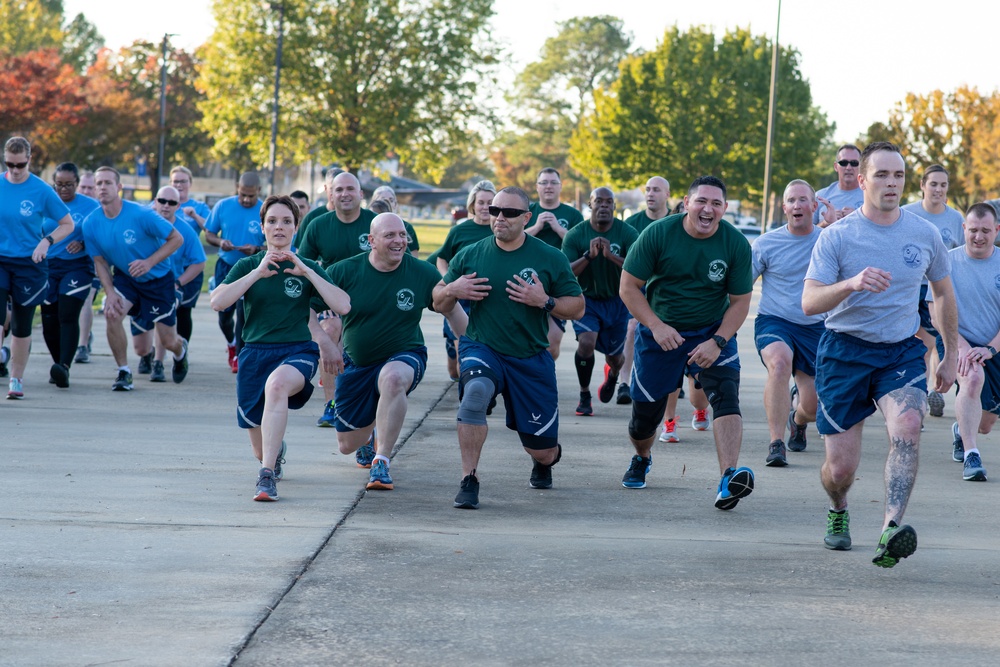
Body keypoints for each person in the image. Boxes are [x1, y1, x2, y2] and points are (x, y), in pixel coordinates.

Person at [802, 141, 958, 567]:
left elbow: (943, 293)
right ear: (860, 178)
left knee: (909, 423)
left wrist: (949, 350)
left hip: (899, 352)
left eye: (899, 175)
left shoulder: (923, 234)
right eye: (882, 175)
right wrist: (850, 284)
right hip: (843, 352)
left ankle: (891, 529)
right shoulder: (837, 236)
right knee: (839, 471)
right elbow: (810, 302)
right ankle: (838, 510)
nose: (892, 183)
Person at [433, 186, 584, 509]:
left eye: (510, 213)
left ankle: (543, 463)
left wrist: (544, 301)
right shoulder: (472, 254)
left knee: (543, 449)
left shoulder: (549, 257)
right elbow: (438, 298)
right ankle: (469, 479)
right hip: (482, 345)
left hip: (530, 357)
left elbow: (578, 307)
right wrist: (453, 288)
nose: (500, 217)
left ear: (527, 217)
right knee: (474, 395)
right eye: (495, 211)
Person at [619, 175, 755, 510]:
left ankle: (728, 479)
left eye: (716, 203)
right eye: (701, 201)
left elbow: (739, 302)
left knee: (726, 396)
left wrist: (719, 340)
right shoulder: (658, 234)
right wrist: (655, 325)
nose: (708, 209)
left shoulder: (735, 244)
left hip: (710, 330)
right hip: (661, 332)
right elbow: (628, 287)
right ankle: (642, 457)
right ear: (686, 202)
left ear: (724, 209)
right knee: (643, 422)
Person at [210, 195, 350, 501]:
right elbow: (218, 302)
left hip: (297, 351)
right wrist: (257, 273)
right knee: (258, 445)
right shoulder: (248, 265)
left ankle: (266, 475)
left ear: (296, 227)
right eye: (272, 221)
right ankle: (271, 454)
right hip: (254, 354)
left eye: (287, 221)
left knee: (277, 386)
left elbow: (343, 304)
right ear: (262, 227)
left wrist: (308, 271)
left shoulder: (307, 266)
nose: (279, 227)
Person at [325, 213, 468, 490]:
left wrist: (479, 350)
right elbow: (312, 307)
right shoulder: (343, 272)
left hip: (406, 354)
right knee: (346, 445)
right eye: (390, 235)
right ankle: (367, 437)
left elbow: (454, 315)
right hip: (357, 363)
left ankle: (382, 461)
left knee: (391, 379)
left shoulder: (423, 273)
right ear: (371, 241)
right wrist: (323, 340)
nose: (399, 241)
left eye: (402, 235)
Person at [82, 167, 190, 391]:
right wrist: (110, 292)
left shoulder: (141, 214)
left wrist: (149, 262)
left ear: (119, 188)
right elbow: (100, 262)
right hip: (126, 279)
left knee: (169, 341)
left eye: (107, 183)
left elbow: (176, 239)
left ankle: (181, 351)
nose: (102, 187)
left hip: (158, 280)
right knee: (113, 315)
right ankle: (124, 372)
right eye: (98, 184)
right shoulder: (90, 223)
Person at [751, 180, 825, 466]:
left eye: (803, 200)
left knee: (813, 406)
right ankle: (776, 443)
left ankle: (797, 419)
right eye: (791, 200)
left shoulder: (828, 241)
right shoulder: (766, 243)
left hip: (815, 327)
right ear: (784, 208)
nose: (797, 205)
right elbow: (742, 286)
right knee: (779, 363)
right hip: (775, 321)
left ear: (814, 206)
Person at [297, 171, 376, 430]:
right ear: (330, 194)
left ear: (361, 194)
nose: (344, 194)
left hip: (369, 299)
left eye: (350, 189)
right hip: (330, 297)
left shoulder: (374, 223)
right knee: (329, 330)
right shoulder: (318, 225)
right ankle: (332, 404)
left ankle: (366, 401)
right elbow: (304, 267)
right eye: (339, 189)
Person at [927, 203, 1000, 482]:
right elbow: (934, 312)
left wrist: (990, 349)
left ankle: (963, 431)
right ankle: (972, 456)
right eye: (973, 230)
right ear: (963, 230)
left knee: (985, 424)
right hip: (958, 341)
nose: (978, 237)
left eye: (985, 230)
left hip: (993, 347)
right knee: (971, 379)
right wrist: (963, 346)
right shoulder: (947, 262)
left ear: (996, 230)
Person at [0, 137, 74, 399]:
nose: (15, 170)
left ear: (29, 160)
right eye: (9, 164)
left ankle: (16, 380)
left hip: (29, 262)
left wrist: (47, 241)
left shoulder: (41, 190)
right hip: (1, 258)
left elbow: (68, 224)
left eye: (20, 164)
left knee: (21, 325)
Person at [562, 186, 638, 416]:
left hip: (617, 301)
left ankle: (613, 375)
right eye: (599, 201)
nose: (604, 205)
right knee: (586, 343)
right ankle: (585, 395)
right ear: (590, 205)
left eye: (608, 202)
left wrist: (610, 256)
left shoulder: (627, 233)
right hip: (587, 300)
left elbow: (638, 268)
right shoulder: (576, 234)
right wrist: (589, 256)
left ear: (614, 206)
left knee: (615, 357)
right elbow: (566, 272)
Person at [902, 165, 965, 418]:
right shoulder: (906, 214)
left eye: (943, 185)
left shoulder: (955, 219)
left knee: (936, 342)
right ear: (922, 186)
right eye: (933, 184)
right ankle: (919, 398)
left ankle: (934, 391)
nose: (938, 189)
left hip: (939, 290)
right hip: (910, 289)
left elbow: (962, 257)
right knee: (921, 345)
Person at [132, 186, 206, 382]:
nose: (166, 206)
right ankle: (147, 355)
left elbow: (199, 262)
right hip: (142, 282)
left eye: (171, 203)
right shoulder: (142, 223)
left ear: (178, 206)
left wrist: (178, 283)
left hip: (170, 284)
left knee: (160, 316)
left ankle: (158, 362)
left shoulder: (185, 231)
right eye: (162, 201)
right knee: (140, 343)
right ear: (154, 202)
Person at [39, 162, 99, 388]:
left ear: (77, 183)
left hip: (77, 266)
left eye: (70, 185)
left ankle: (64, 366)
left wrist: (83, 243)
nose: (64, 189)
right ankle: (57, 365)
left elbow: (99, 234)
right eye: (59, 184)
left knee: (67, 314)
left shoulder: (90, 206)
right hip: (47, 267)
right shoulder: (45, 203)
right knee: (48, 319)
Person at [432, 180, 496, 381]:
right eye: (481, 202)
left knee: (480, 352)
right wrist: (447, 280)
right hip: (460, 300)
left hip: (489, 301)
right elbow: (441, 257)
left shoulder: (500, 230)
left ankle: (476, 392)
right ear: (473, 205)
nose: (485, 207)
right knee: (456, 367)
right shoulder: (460, 231)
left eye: (490, 202)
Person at [204, 172, 265, 373]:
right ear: (237, 189)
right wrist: (221, 242)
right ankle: (231, 344)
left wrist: (256, 249)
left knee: (242, 312)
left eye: (251, 196)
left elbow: (276, 243)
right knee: (224, 315)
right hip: (226, 266)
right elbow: (209, 233)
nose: (246, 200)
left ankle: (240, 354)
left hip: (252, 268)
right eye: (242, 195)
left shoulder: (265, 209)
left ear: (259, 191)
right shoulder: (223, 206)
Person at [619, 176, 671, 404]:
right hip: (640, 290)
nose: (650, 194)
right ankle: (624, 382)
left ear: (667, 194)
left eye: (656, 190)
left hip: (670, 293)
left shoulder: (679, 222)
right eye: (648, 189)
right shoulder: (632, 224)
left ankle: (675, 380)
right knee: (632, 327)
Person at [527, 168, 584, 360]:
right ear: (537, 187)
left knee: (551, 345)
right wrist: (536, 227)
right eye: (544, 183)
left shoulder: (572, 214)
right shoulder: (528, 211)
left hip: (560, 283)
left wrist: (558, 228)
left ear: (560, 187)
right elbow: (512, 237)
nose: (548, 187)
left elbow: (581, 243)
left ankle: (544, 375)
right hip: (529, 279)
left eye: (553, 182)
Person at [74, 170, 100, 363]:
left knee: (86, 300)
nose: (87, 190)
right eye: (83, 186)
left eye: (91, 187)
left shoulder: (99, 209)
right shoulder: (67, 205)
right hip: (66, 263)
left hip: (93, 262)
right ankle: (82, 336)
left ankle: (82, 345)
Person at [292, 166, 344, 249]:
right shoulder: (311, 218)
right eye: (332, 188)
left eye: (340, 189)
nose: (337, 193)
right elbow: (300, 253)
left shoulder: (357, 216)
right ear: (325, 188)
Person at [815, 144, 865, 227]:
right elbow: (807, 235)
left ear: (861, 166)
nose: (848, 167)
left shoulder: (872, 196)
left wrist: (859, 217)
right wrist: (826, 222)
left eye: (854, 163)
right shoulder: (820, 197)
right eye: (843, 163)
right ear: (835, 166)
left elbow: (882, 230)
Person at [370, 184, 420, 252]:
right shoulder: (366, 223)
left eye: (391, 200)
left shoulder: (407, 227)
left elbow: (413, 259)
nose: (388, 203)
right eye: (383, 200)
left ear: (396, 204)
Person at [169, 166, 211, 235]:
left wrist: (195, 216)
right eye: (176, 181)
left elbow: (211, 229)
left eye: (183, 181)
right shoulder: (161, 204)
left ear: (190, 183)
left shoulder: (200, 206)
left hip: (189, 245)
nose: (179, 185)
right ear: (171, 183)